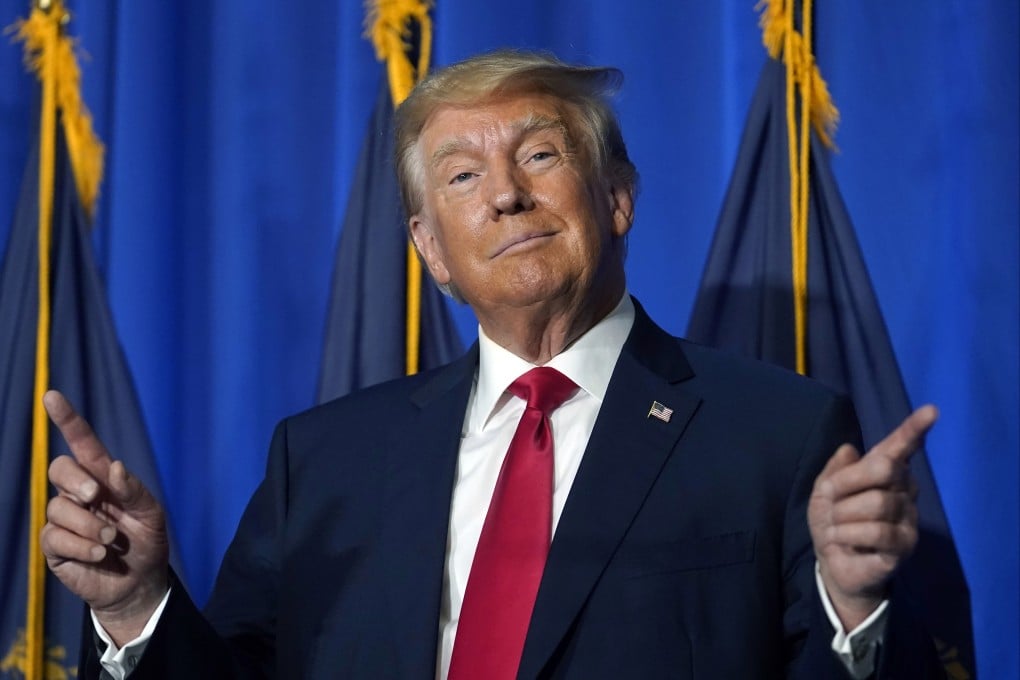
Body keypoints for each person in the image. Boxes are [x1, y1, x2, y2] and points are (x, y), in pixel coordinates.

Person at [42, 50, 941, 679]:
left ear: (617, 199)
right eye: (462, 176)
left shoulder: (779, 434)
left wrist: (851, 608)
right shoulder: (321, 463)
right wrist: (134, 608)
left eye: (540, 155)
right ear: (431, 250)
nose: (507, 194)